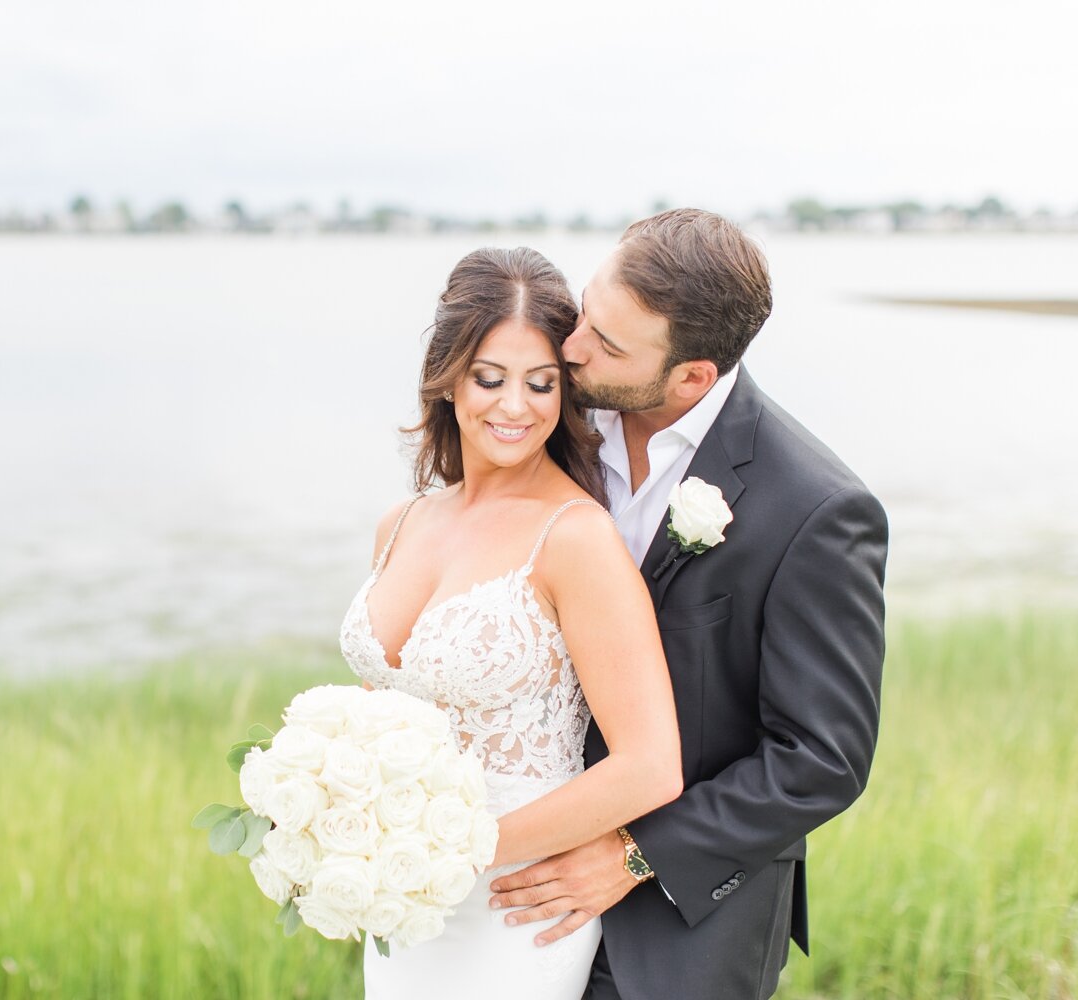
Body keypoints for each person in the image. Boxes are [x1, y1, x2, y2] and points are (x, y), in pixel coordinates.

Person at [486, 209, 889, 1000]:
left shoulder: (815, 509)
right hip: (506, 901)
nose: (570, 350)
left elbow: (821, 758)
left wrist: (635, 853)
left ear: (692, 377)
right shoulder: (547, 418)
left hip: (679, 933)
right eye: (586, 314)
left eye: (606, 344)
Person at [338, 247, 683, 998]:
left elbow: (650, 765)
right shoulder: (402, 523)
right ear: (449, 376)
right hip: (400, 900)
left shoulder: (575, 537)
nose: (515, 406)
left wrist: (463, 850)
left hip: (513, 906)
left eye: (542, 384)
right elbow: (384, 706)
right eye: (490, 378)